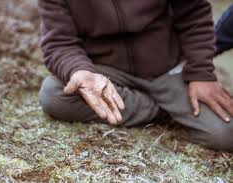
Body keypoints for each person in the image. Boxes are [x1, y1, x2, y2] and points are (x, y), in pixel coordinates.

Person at [38, 0, 233, 151]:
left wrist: (201, 73)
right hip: (105, 71)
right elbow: (59, 42)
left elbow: (194, 15)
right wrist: (81, 71)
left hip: (168, 66)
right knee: (53, 94)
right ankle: (160, 111)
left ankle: (162, 107)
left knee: (226, 133)